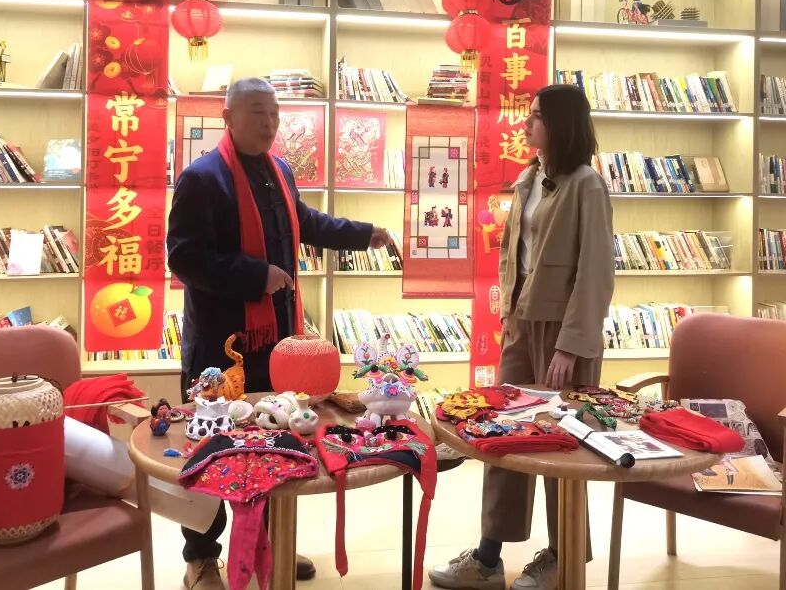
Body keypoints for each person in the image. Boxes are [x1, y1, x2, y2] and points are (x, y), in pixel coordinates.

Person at [168, 78, 389, 590]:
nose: (268, 124)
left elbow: (304, 223)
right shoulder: (202, 178)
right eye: (256, 112)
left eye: (273, 114)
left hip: (277, 343)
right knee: (212, 446)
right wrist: (255, 276)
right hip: (221, 346)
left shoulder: (280, 171)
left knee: (273, 438)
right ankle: (200, 556)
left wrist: (362, 234)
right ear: (227, 116)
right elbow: (184, 258)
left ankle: (266, 541)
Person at [428, 84, 614, 590]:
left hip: (563, 331)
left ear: (562, 124)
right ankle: (488, 557)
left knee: (562, 444)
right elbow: (514, 253)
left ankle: (563, 555)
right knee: (503, 432)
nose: (526, 123)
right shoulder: (529, 178)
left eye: (536, 116)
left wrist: (571, 344)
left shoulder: (587, 185)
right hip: (522, 323)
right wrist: (510, 314)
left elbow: (596, 272)